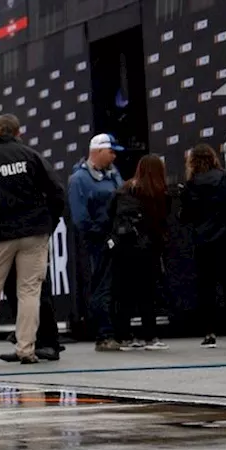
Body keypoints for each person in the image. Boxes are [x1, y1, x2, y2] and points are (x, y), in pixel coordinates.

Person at [0, 114, 65, 366]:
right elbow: (56, 192)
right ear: (19, 132)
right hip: (34, 232)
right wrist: (49, 224)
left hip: (0, 235)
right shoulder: (32, 156)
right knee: (29, 291)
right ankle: (26, 349)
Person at [68, 133, 125, 352]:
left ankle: (119, 331)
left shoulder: (113, 175)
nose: (114, 157)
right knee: (101, 287)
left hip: (116, 238)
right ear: (98, 151)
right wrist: (100, 235)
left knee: (116, 286)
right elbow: (80, 217)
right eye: (111, 152)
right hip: (96, 242)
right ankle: (104, 333)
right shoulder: (80, 179)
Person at [180, 143, 226, 349]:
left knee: (206, 288)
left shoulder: (190, 184)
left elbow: (185, 216)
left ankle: (209, 333)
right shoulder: (224, 178)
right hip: (224, 238)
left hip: (202, 239)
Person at [108, 155, 170, 350]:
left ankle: (124, 336)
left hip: (123, 247)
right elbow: (161, 223)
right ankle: (150, 336)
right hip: (148, 248)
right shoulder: (159, 192)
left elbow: (110, 215)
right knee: (147, 294)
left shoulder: (123, 189)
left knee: (124, 293)